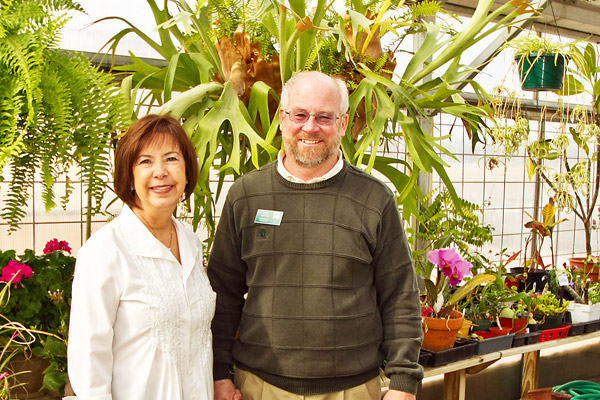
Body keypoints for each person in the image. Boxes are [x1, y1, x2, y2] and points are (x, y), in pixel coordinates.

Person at [207, 71, 424, 400]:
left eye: (325, 116)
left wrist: (403, 382)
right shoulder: (247, 196)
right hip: (260, 387)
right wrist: (218, 373)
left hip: (352, 389)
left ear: (343, 122)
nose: (310, 127)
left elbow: (399, 296)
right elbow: (222, 294)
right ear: (283, 119)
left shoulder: (374, 199)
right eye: (300, 114)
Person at [66, 114, 216, 400]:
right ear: (129, 176)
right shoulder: (105, 251)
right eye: (145, 161)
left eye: (171, 158)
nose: (160, 171)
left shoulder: (191, 243)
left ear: (187, 171)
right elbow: (88, 361)